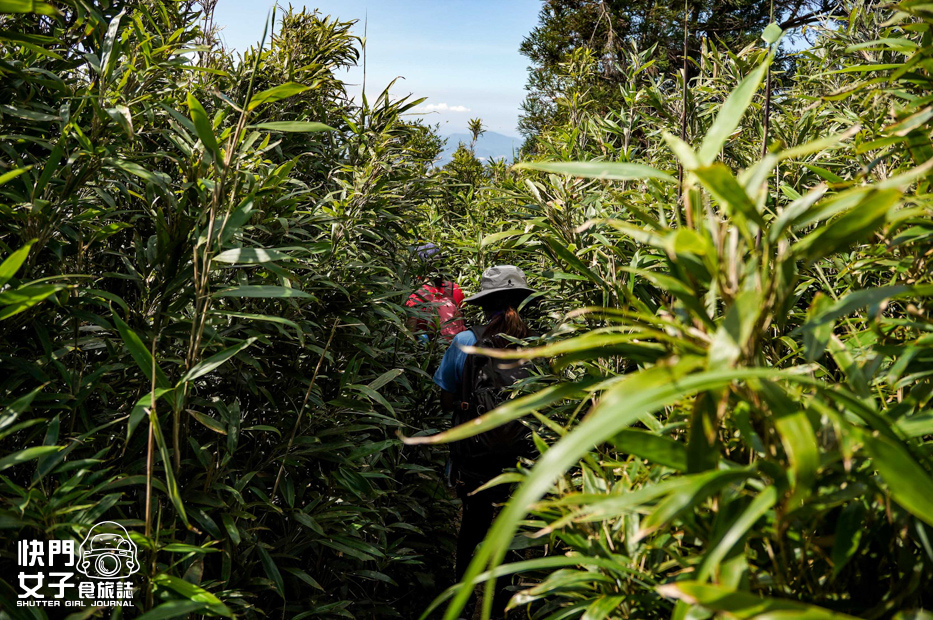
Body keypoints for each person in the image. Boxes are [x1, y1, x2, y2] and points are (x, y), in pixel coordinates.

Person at [433, 265, 537, 618]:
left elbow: (446, 396)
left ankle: (463, 603)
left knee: (472, 526)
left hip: (473, 457)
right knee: (510, 530)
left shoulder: (466, 340)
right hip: (520, 456)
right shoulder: (533, 344)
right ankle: (504, 604)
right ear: (519, 301)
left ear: (483, 303)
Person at [406, 243, 466, 342]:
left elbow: (410, 333)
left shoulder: (415, 295)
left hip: (430, 351)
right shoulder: (455, 289)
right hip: (458, 346)